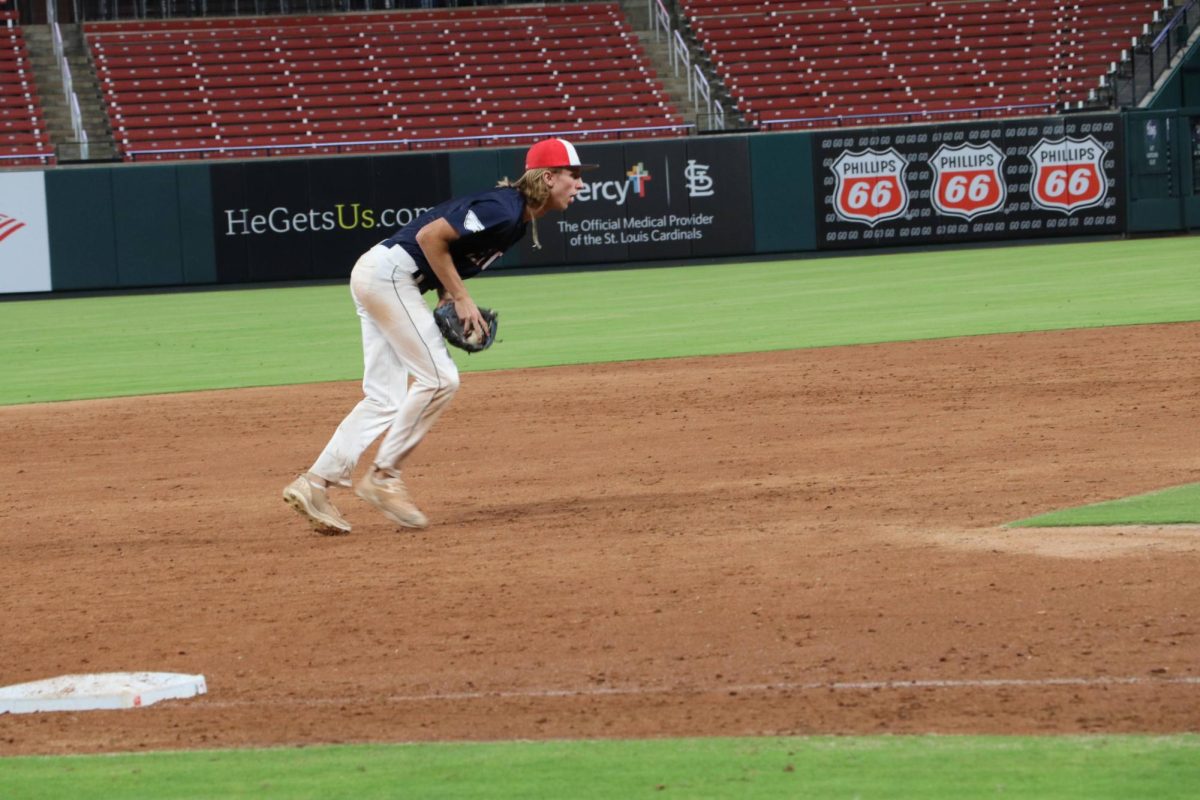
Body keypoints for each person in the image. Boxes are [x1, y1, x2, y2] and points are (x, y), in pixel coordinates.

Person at [283, 137, 597, 535]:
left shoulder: (514, 217)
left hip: (381, 274)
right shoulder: (504, 209)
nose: (580, 184)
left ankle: (314, 484)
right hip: (391, 276)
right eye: (575, 175)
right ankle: (384, 477)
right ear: (549, 177)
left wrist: (449, 298)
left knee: (384, 397)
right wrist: (462, 298)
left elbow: (447, 256)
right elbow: (431, 238)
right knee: (439, 379)